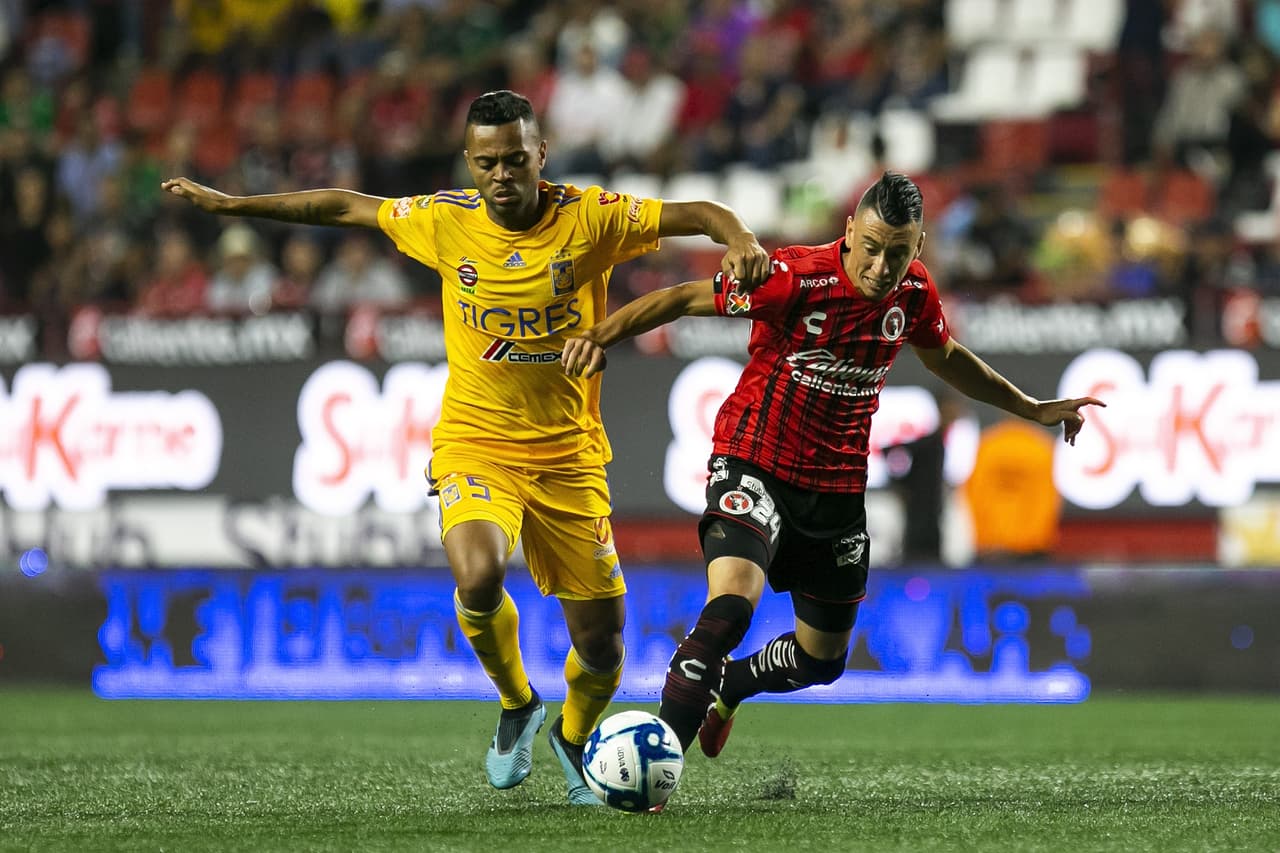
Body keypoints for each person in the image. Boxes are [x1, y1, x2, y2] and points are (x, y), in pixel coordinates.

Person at [161, 89, 769, 805]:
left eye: (516, 158)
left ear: (541, 154)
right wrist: (234, 207)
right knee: (477, 572)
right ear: (470, 163)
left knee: (603, 644)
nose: (503, 174)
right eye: (488, 162)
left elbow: (695, 214)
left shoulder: (592, 218)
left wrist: (740, 239)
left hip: (569, 454)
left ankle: (572, 735)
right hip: (476, 440)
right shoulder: (445, 221)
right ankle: (517, 700)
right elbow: (343, 206)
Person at [561, 171, 1104, 774]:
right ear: (849, 233)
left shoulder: (915, 295)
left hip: (836, 491)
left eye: (897, 253)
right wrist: (598, 335)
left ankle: (732, 686)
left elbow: (946, 357)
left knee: (822, 660)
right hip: (753, 460)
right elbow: (685, 298)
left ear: (917, 248)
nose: (880, 266)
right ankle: (654, 765)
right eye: (871, 247)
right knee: (731, 607)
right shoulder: (795, 278)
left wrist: (1030, 408)